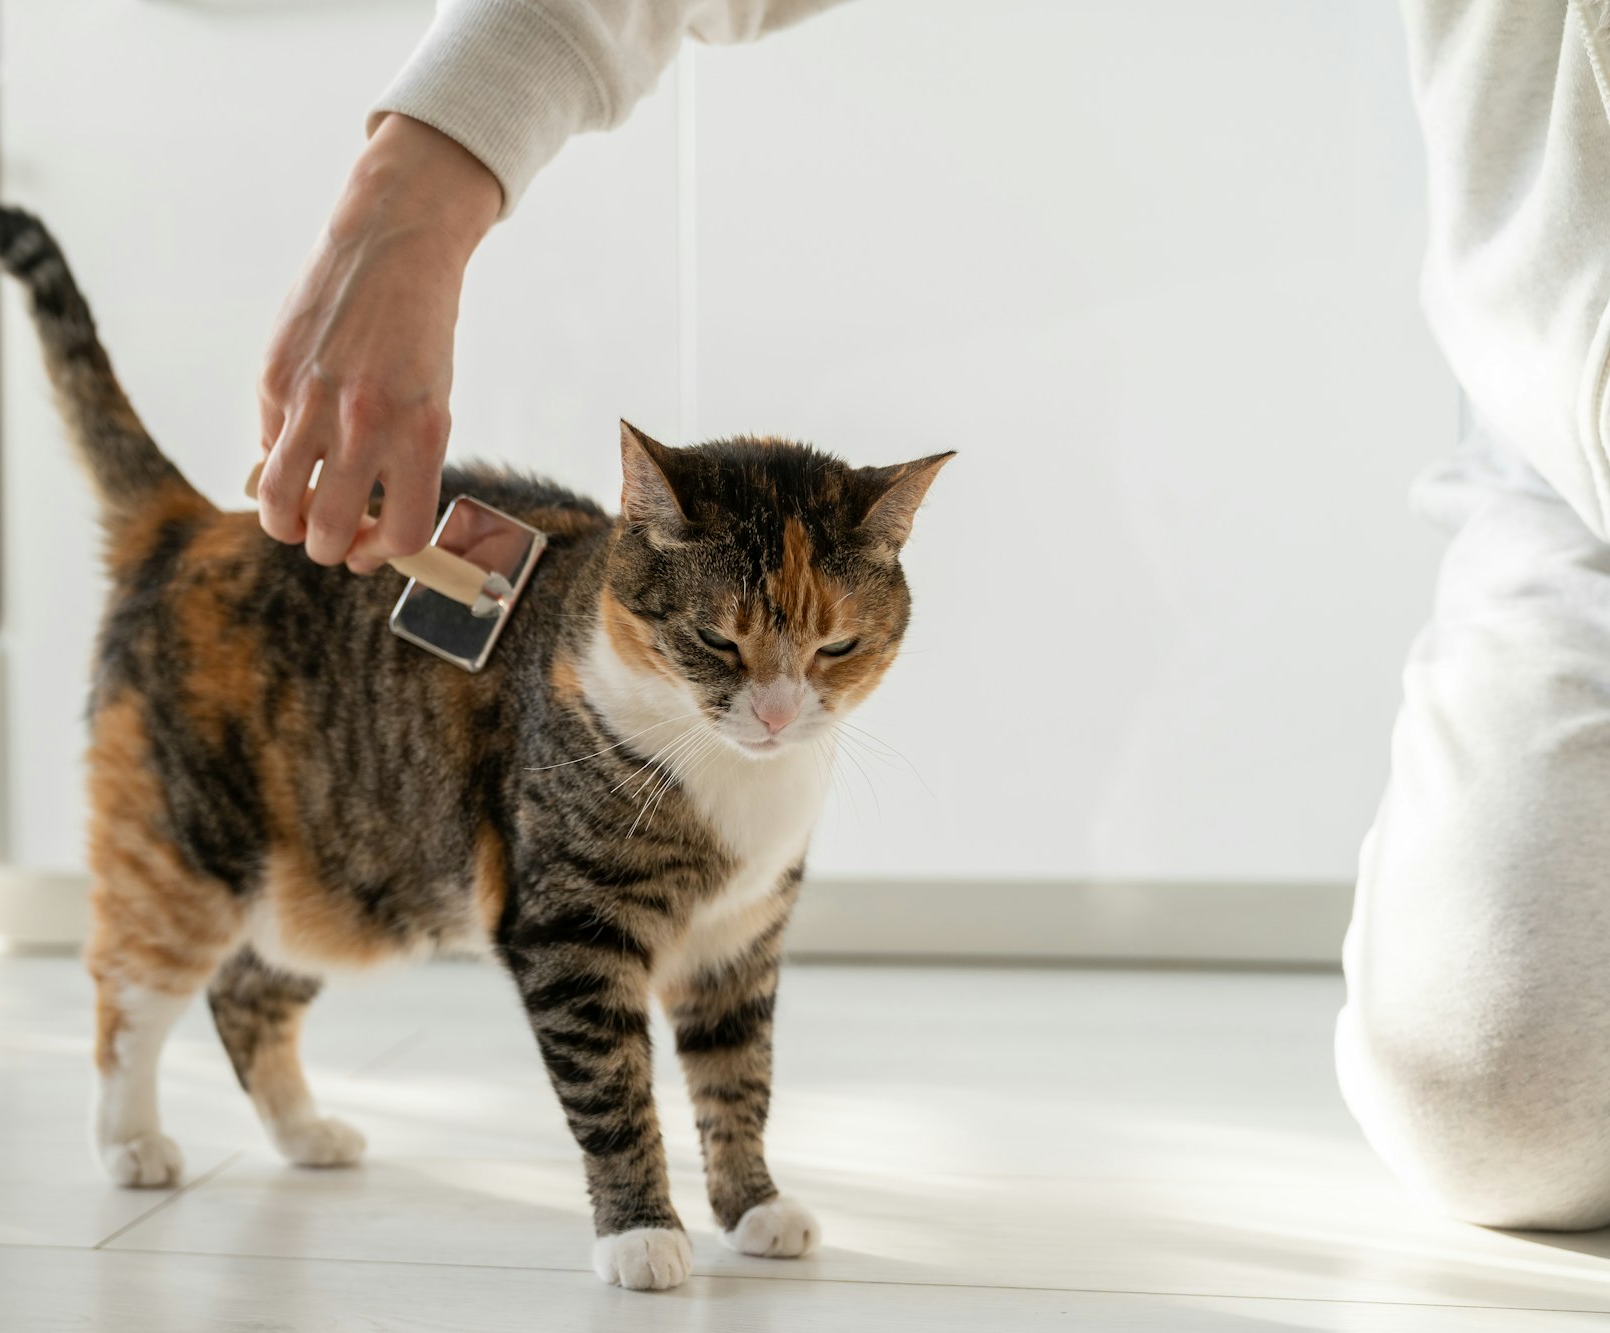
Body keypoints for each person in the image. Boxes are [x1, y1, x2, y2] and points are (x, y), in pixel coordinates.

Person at [254, 0, 1610, 1232]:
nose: (788, 696)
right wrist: (424, 175)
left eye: (831, 651)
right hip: (1565, 457)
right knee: (1496, 1100)